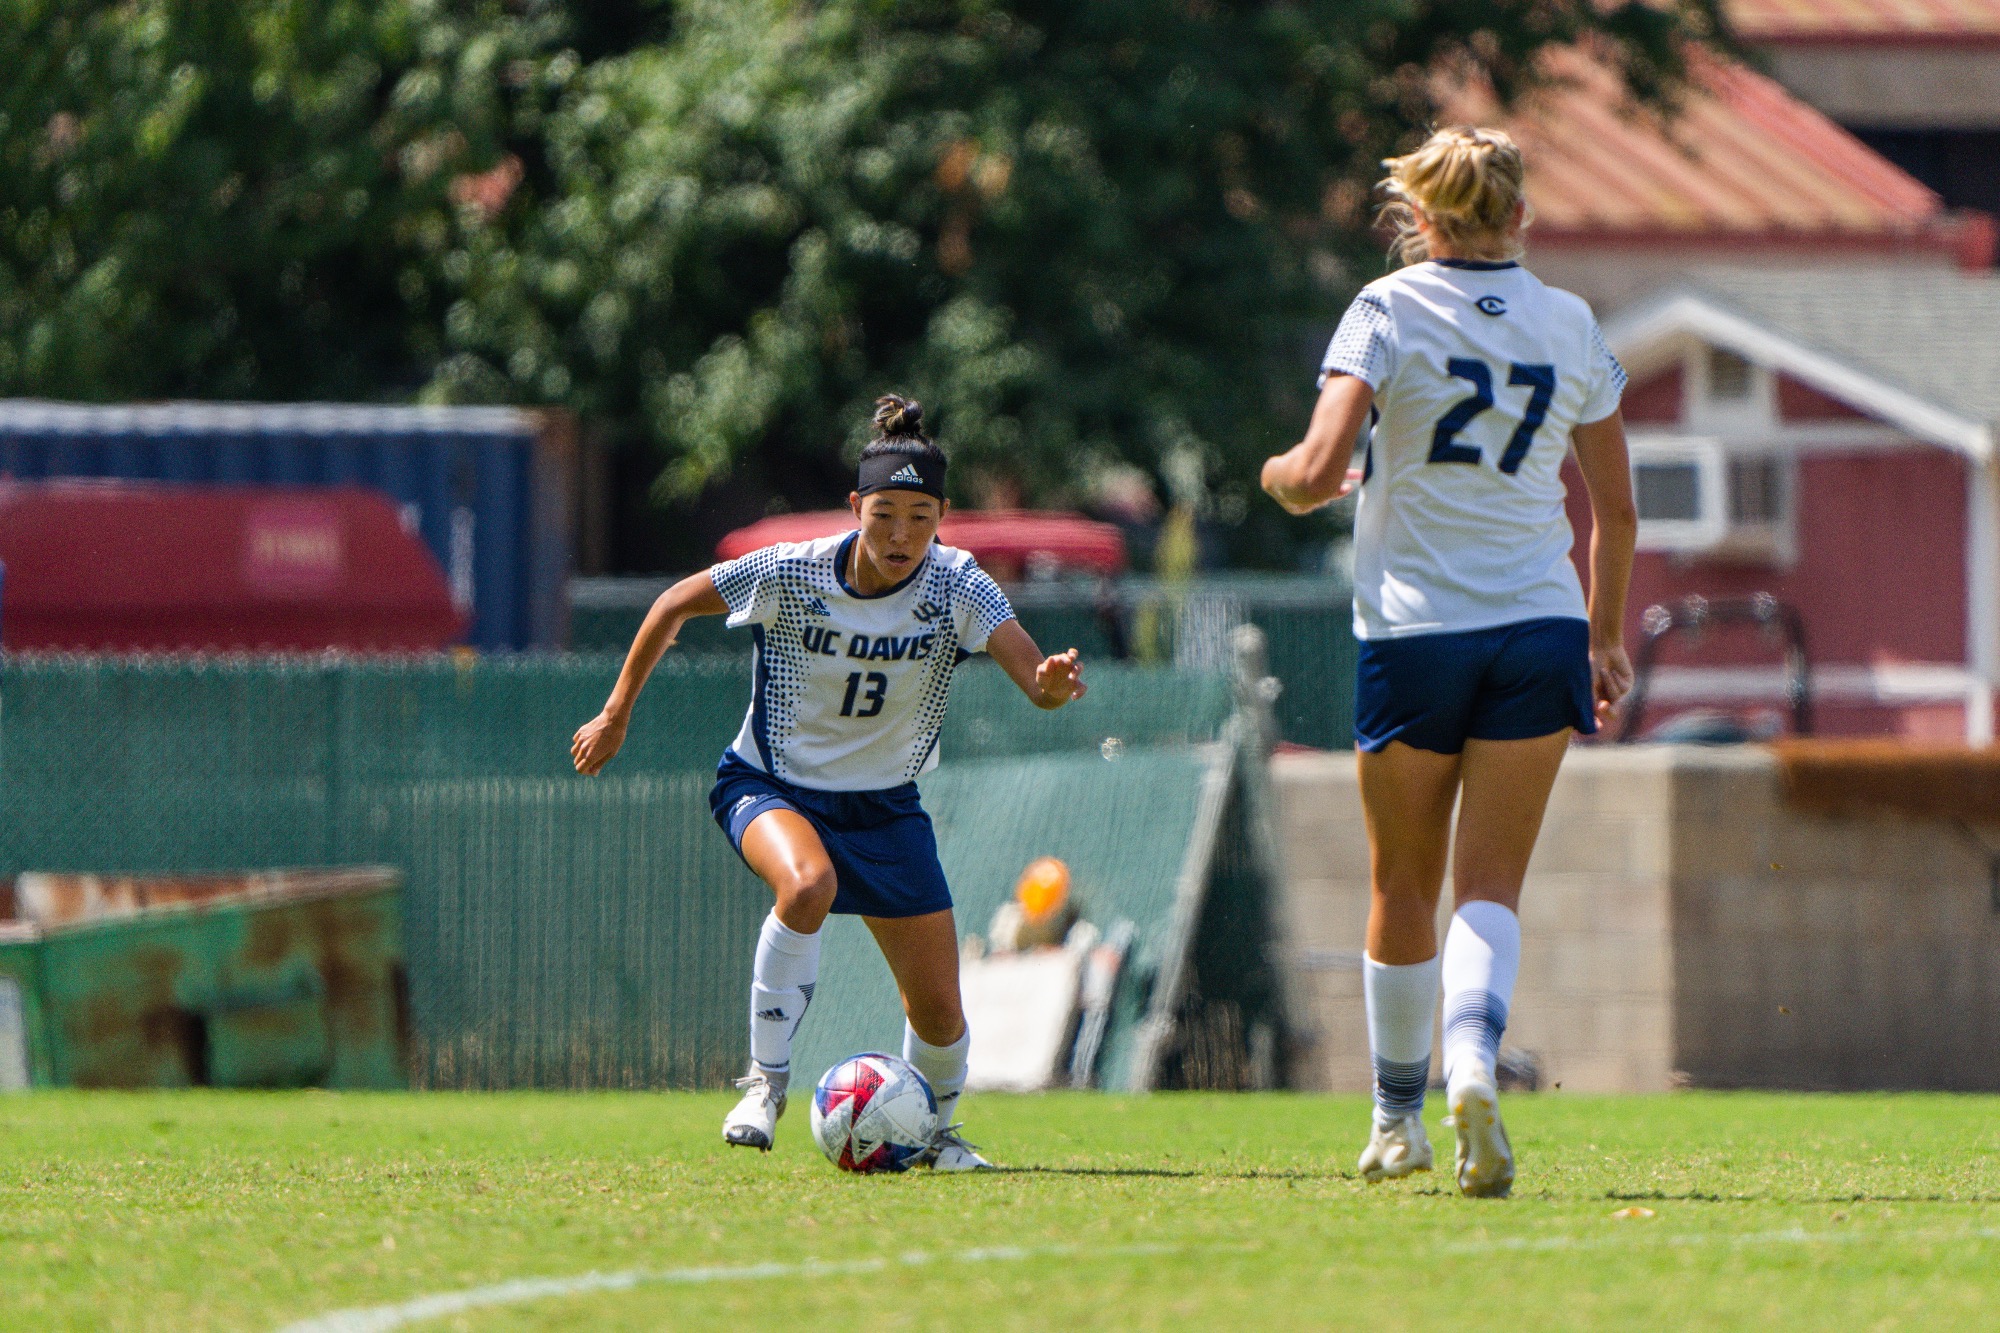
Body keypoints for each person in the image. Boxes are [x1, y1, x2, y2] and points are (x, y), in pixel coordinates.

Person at [1259, 126, 1637, 1197]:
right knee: (1489, 885)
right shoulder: (1570, 323)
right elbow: (1613, 508)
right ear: (1520, 216)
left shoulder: (1383, 309)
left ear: (1416, 221)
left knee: (1401, 883)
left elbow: (1320, 464)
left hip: (1415, 632)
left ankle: (1395, 1117)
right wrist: (1603, 635)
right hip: (1538, 626)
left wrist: (1282, 474)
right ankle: (1472, 1057)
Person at [571, 394, 1087, 1171]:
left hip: (885, 809)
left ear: (944, 515)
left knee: (940, 1013)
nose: (901, 534)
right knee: (806, 884)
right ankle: (765, 1085)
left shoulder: (960, 585)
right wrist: (615, 714)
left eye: (921, 515)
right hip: (771, 784)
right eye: (885, 513)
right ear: (855, 507)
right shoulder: (793, 569)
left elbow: (1033, 678)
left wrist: (1050, 683)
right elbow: (675, 602)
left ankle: (933, 1135)